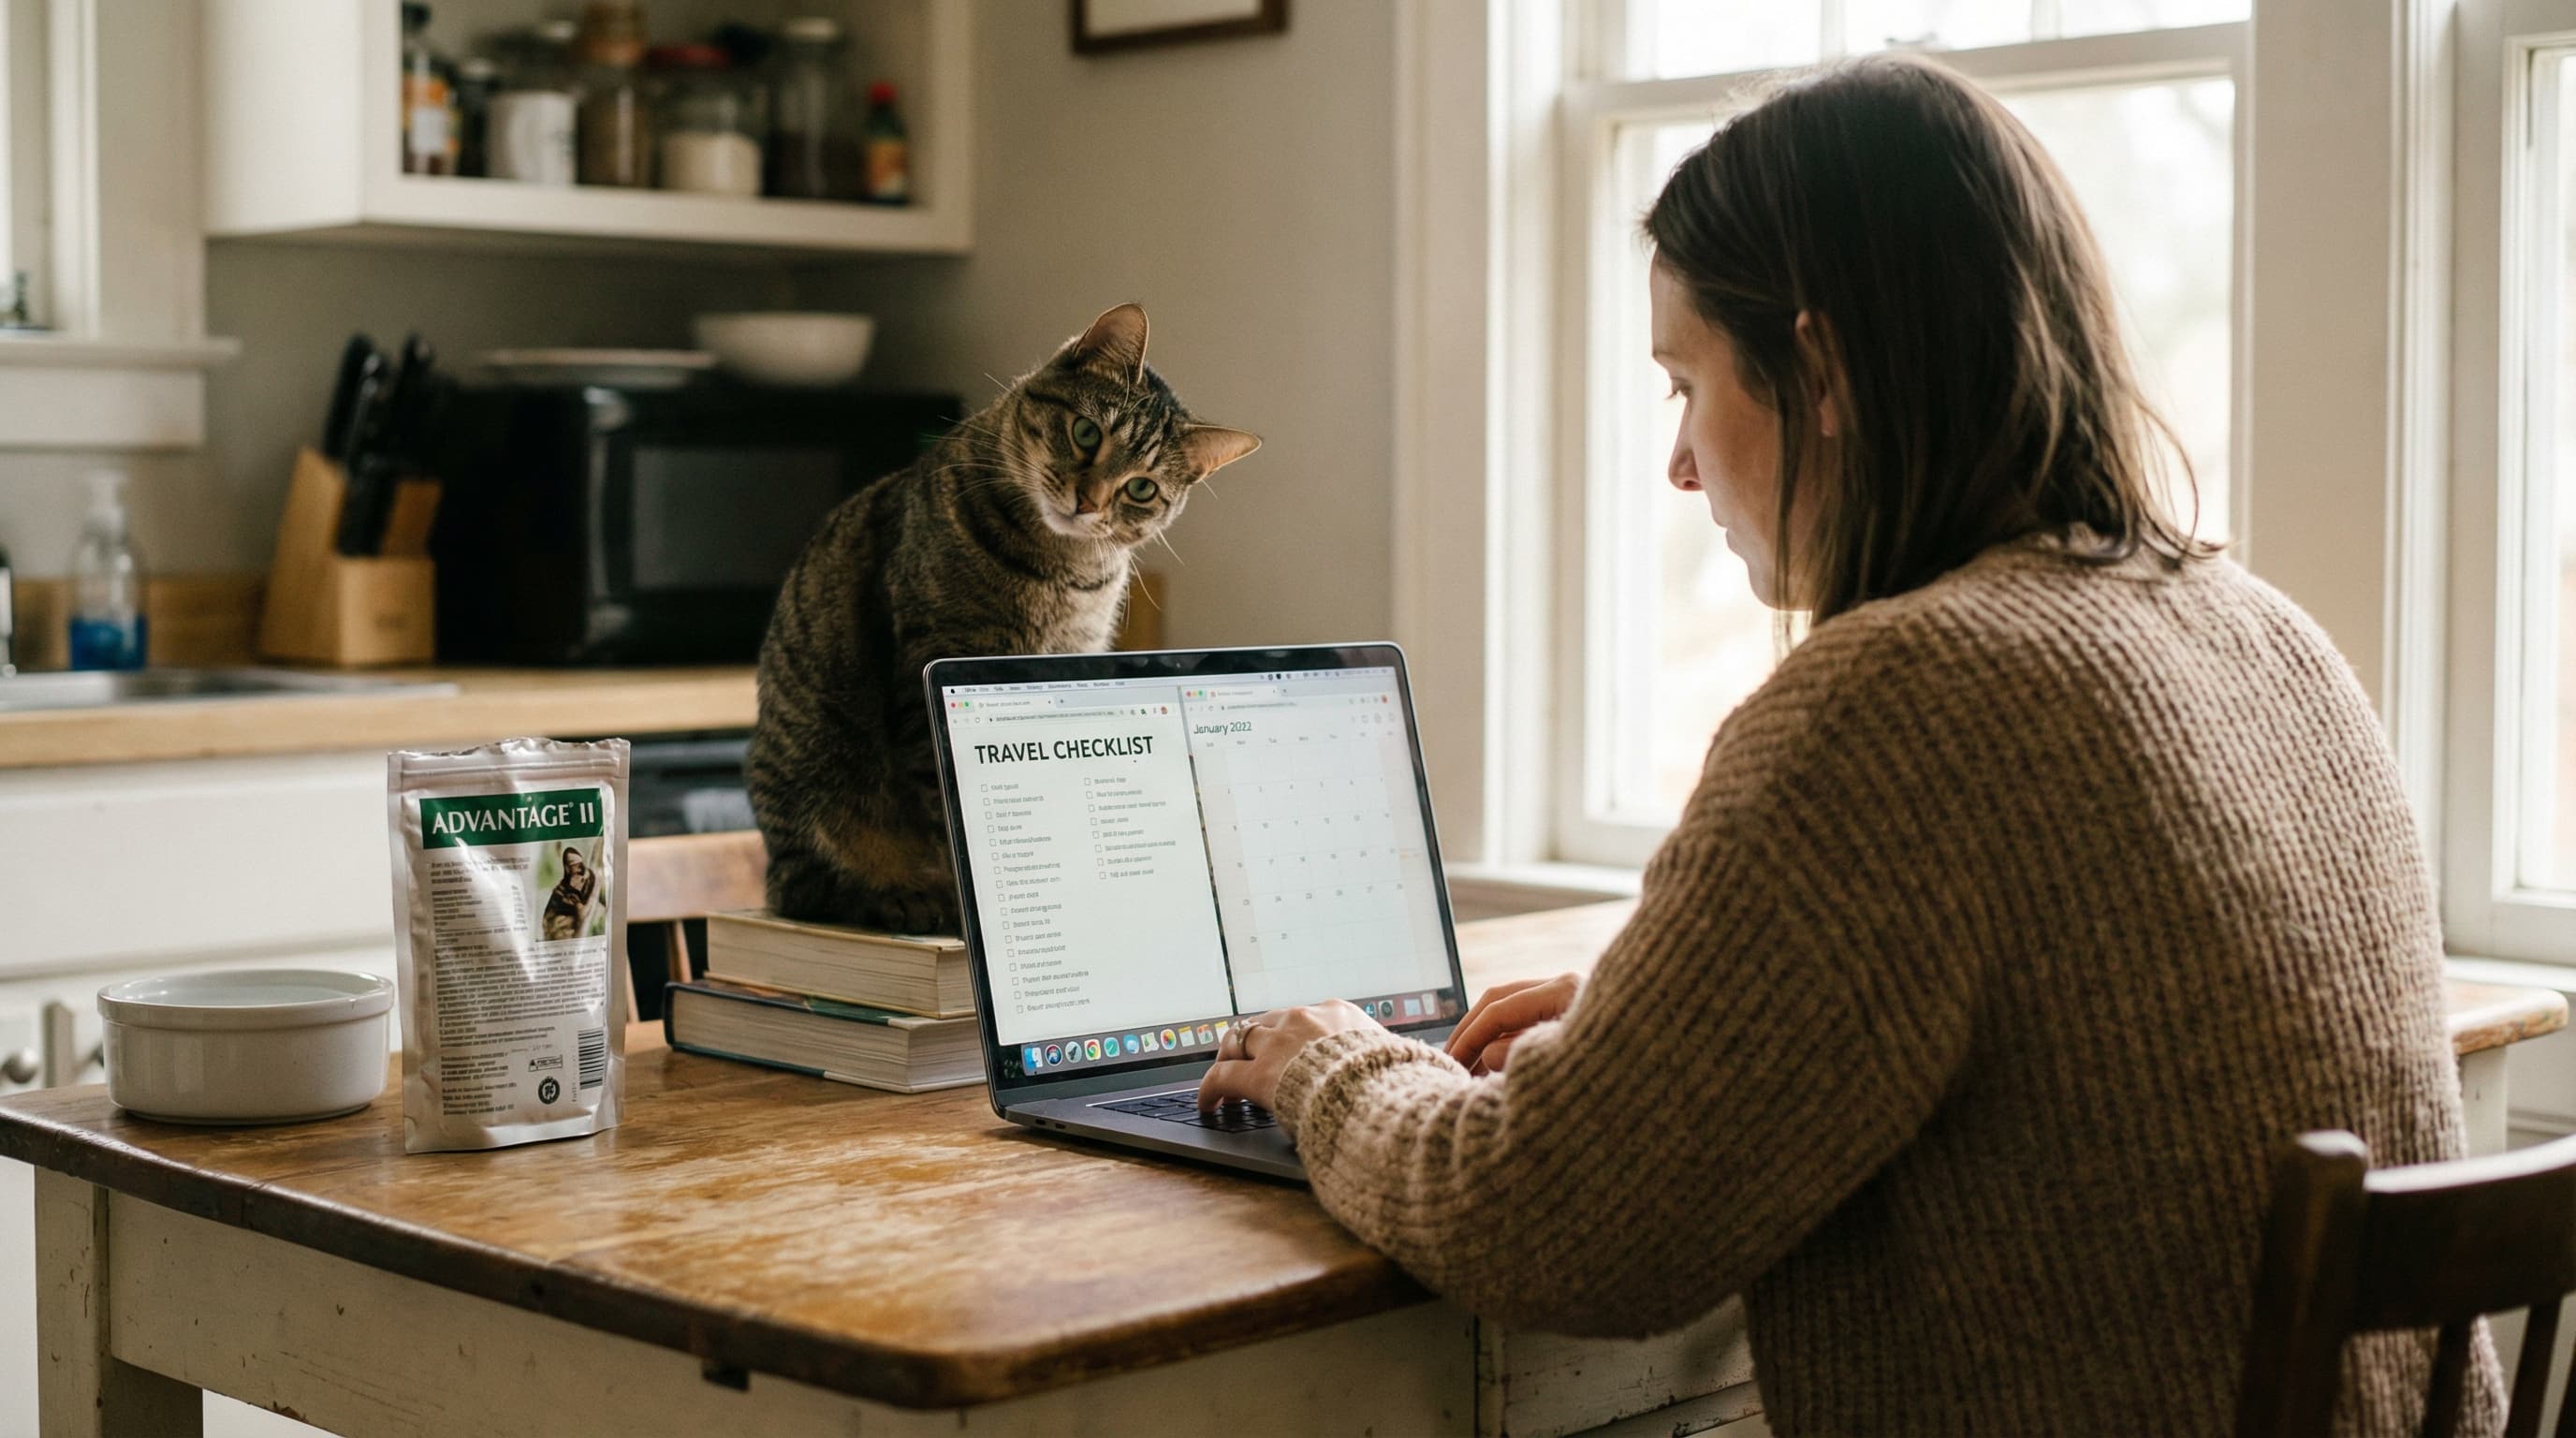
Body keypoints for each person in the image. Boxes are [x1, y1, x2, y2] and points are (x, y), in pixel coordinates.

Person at [1195, 54, 2496, 1436]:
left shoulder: (1899, 700)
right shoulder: (2257, 630)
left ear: (1817, 371)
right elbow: (2052, 1036)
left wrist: (1334, 1063)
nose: (1681, 463)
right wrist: (1682, 1028)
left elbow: (1551, 1228)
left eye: (1686, 384)